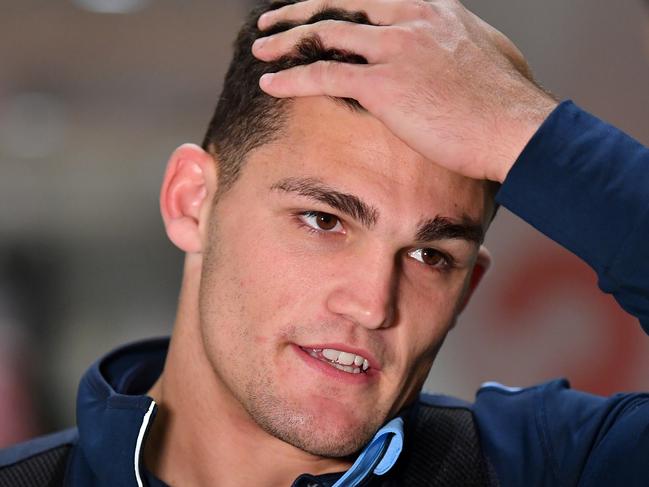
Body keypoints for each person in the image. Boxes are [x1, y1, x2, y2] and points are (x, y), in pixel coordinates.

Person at [1, 0, 648, 485]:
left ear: (465, 290)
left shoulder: (544, 466)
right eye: (323, 220)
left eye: (431, 255)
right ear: (190, 201)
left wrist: (527, 132)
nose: (372, 304)